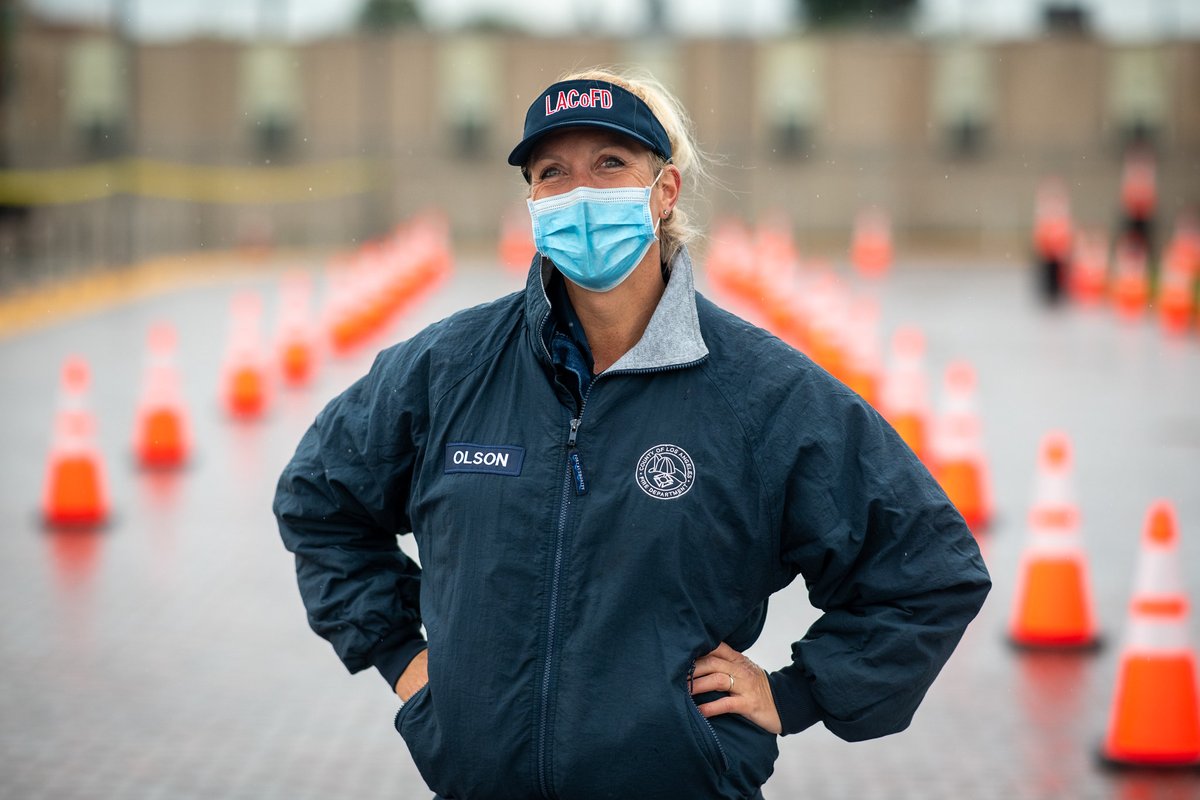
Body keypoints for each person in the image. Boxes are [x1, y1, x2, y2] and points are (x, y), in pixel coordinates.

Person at [274, 66, 991, 800]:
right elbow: (318, 500)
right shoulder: (448, 369)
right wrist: (405, 660)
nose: (580, 193)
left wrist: (798, 693)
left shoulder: (761, 393)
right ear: (531, 201)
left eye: (610, 164)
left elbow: (928, 570)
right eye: (553, 172)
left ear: (666, 190)